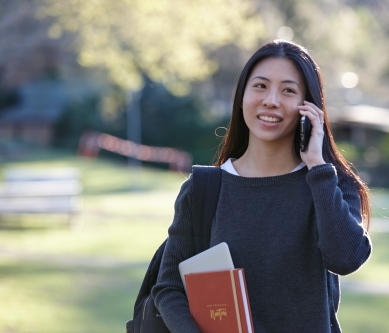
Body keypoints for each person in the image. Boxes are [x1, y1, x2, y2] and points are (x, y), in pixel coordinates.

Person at [152, 40, 372, 333]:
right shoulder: (203, 189)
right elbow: (168, 288)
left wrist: (318, 167)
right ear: (242, 96)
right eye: (260, 86)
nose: (271, 100)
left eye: (288, 90)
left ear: (309, 108)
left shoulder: (330, 184)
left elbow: (345, 259)